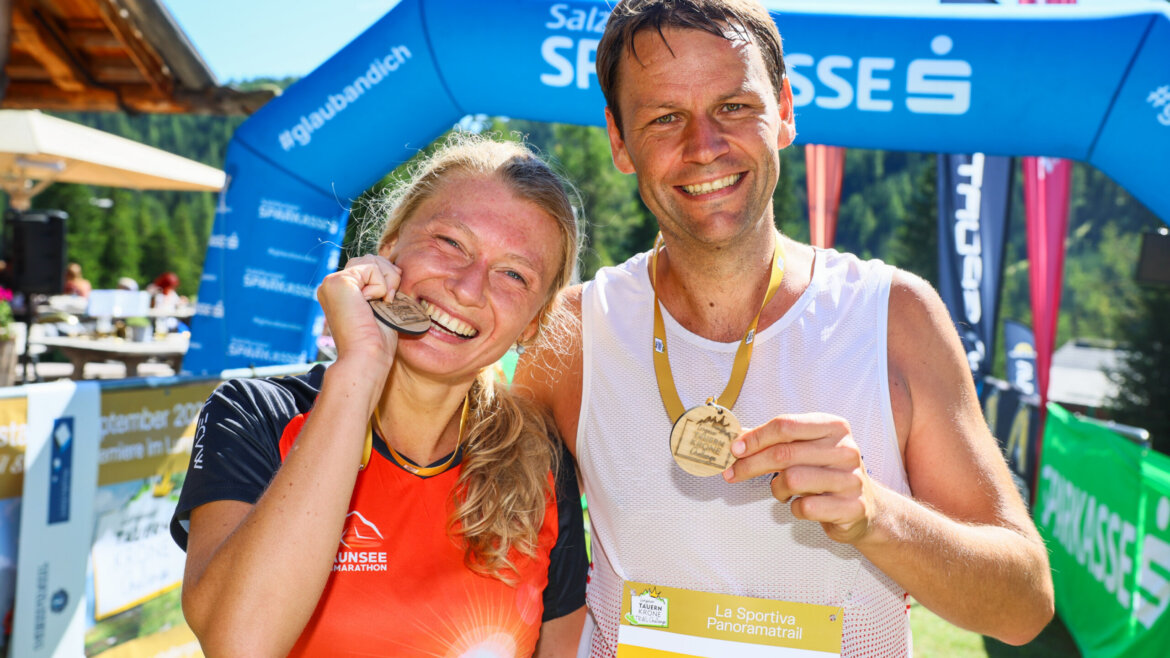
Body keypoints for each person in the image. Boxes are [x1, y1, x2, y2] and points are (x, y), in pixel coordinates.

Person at [513, 1, 1055, 655]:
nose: (703, 146)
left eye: (734, 107)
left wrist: (875, 514)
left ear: (785, 111)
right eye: (665, 118)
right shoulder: (572, 335)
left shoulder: (894, 316)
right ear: (620, 142)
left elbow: (1023, 606)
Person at [170, 134, 588, 656]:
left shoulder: (541, 457)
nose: (467, 287)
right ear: (389, 247)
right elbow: (240, 643)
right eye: (451, 243)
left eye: (512, 274)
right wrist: (359, 368)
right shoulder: (257, 414)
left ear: (533, 325)